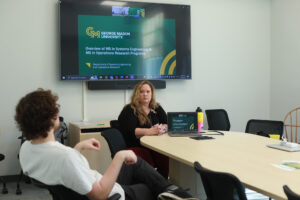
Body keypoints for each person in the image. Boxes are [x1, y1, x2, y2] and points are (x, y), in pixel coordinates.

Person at [15, 89, 193, 200]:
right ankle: (178, 193)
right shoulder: (64, 157)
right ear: (51, 118)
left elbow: (62, 171)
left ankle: (175, 191)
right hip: (109, 193)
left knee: (135, 163)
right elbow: (99, 195)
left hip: (90, 185)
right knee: (149, 186)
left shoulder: (27, 149)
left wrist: (77, 148)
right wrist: (119, 156)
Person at [118, 81, 169, 178]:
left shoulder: (156, 107)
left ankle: (164, 181)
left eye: (148, 91)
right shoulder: (129, 109)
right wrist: (150, 131)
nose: (145, 94)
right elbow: (130, 131)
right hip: (137, 145)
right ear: (137, 94)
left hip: (156, 145)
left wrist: (162, 128)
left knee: (166, 154)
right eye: (142, 92)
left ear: (152, 93)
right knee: (148, 157)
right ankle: (151, 182)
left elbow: (166, 122)